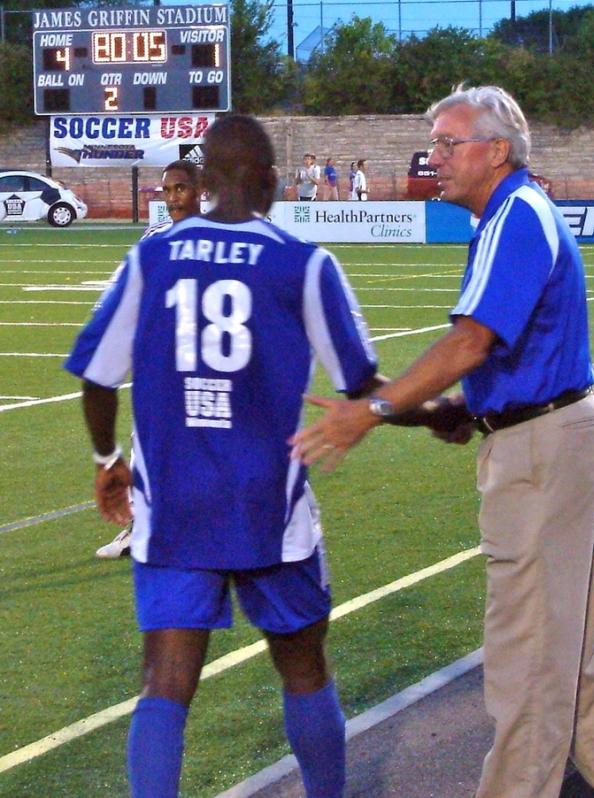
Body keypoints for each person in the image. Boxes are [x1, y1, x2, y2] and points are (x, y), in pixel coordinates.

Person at [290, 85, 594, 798]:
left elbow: (472, 341)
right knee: (568, 658)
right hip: (539, 437)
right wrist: (452, 412)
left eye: (447, 143)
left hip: (545, 450)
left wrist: (371, 410)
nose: (433, 157)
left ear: (496, 150)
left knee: (531, 664)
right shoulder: (513, 213)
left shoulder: (515, 215)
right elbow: (512, 358)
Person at [65, 115, 380, 798]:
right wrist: (441, 411)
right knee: (303, 668)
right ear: (270, 181)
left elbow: (96, 374)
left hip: (175, 504)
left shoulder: (151, 256)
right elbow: (363, 387)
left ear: (203, 182)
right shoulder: (303, 262)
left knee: (165, 681)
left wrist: (107, 456)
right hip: (271, 505)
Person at [95, 159, 202, 560]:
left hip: (205, 362)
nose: (172, 197)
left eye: (181, 188)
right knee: (147, 445)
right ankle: (139, 530)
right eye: (167, 189)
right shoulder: (154, 234)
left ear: (201, 190)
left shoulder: (220, 234)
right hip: (159, 360)